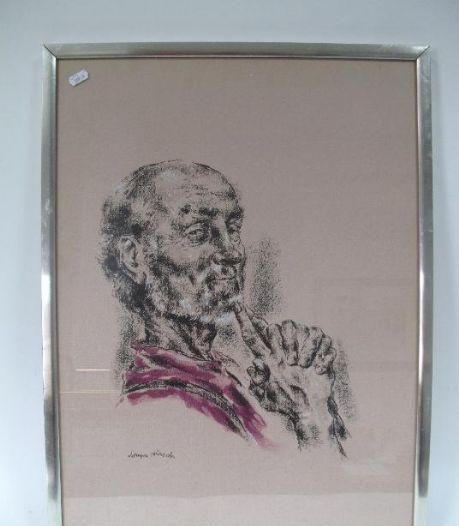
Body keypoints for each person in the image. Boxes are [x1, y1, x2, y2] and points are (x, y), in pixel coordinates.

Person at [100, 160, 348, 453]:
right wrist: (311, 417)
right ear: (134, 256)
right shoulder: (163, 405)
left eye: (232, 228)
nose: (232, 252)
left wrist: (308, 389)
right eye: (198, 233)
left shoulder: (224, 373)